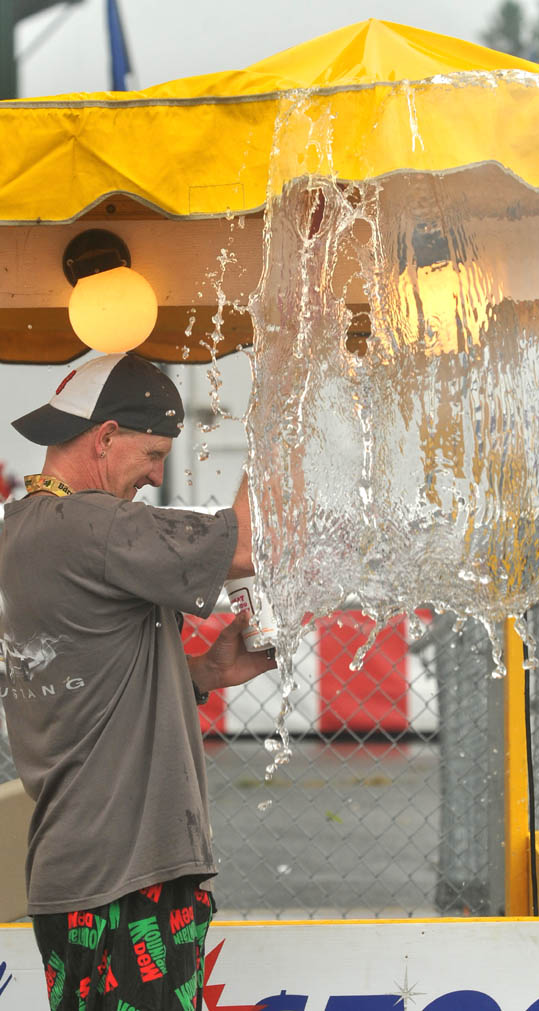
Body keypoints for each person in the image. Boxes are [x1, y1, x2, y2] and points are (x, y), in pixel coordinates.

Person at [0, 351, 274, 1011]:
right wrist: (281, 410)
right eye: (152, 453)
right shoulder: (90, 527)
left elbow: (88, 673)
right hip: (127, 875)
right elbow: (247, 545)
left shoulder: (25, 529)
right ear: (104, 437)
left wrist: (204, 673)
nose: (157, 476)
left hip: (84, 871)